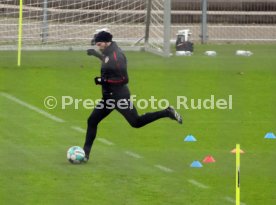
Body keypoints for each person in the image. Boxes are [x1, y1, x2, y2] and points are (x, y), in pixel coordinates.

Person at [83, 31, 182, 162]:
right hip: (108, 98)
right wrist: (96, 54)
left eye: (99, 44)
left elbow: (124, 79)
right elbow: (107, 62)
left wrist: (104, 81)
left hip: (119, 98)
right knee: (92, 121)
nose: (98, 46)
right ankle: (85, 155)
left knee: (136, 122)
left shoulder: (117, 56)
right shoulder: (108, 53)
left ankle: (167, 112)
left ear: (107, 42)